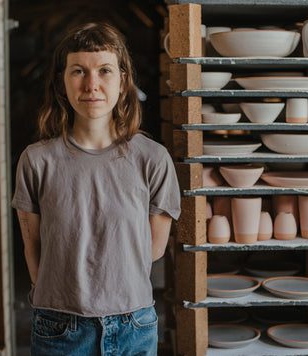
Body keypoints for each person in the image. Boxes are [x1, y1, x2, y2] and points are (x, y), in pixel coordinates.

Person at [11, 22, 181, 355]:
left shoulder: (153, 159)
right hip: (58, 326)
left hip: (133, 325)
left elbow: (153, 249)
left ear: (123, 80)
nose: (92, 84)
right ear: (63, 81)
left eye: (104, 70)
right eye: (79, 71)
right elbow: (33, 248)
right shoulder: (36, 161)